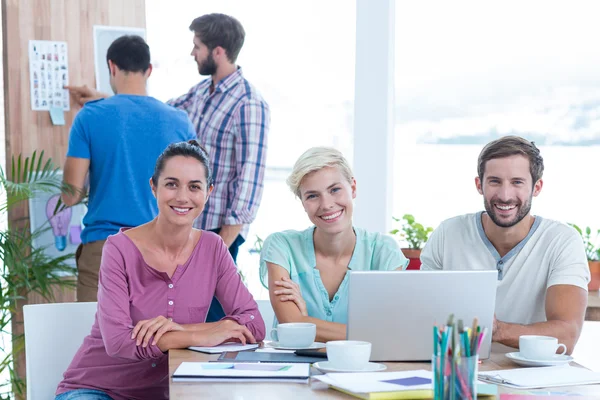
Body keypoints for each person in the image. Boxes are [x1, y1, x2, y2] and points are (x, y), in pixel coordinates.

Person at [67, 15, 270, 320]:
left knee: (199, 335)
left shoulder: (249, 103)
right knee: (161, 336)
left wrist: (217, 249)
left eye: (196, 46)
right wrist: (104, 101)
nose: (192, 53)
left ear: (217, 51)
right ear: (148, 70)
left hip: (205, 238)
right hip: (175, 239)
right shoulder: (192, 101)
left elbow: (249, 183)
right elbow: (148, 110)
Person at [55, 140, 265, 400]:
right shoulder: (118, 249)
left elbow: (254, 325)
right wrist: (203, 334)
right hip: (97, 389)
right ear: (153, 186)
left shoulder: (213, 248)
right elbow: (119, 342)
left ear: (208, 192)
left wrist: (180, 331)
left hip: (170, 393)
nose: (182, 197)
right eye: (171, 184)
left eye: (194, 187)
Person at [420, 136, 589, 354]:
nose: (505, 195)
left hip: (531, 377)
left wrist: (495, 330)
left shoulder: (562, 241)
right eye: (495, 181)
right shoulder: (448, 234)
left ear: (536, 187)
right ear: (479, 185)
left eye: (517, 182)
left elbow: (566, 335)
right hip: (462, 368)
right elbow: (421, 315)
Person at [62, 35, 196, 302]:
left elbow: (70, 195)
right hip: (163, 250)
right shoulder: (180, 121)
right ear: (148, 70)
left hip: (104, 249)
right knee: (159, 340)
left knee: (99, 340)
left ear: (111, 67)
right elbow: (192, 190)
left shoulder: (89, 116)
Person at [259, 147, 409, 342]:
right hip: (295, 368)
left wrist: (304, 321)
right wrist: (367, 334)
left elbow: (390, 332)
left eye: (335, 190)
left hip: (363, 370)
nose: (327, 204)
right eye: (312, 195)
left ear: (353, 188)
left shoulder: (383, 252)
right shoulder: (282, 246)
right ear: (303, 202)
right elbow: (290, 325)